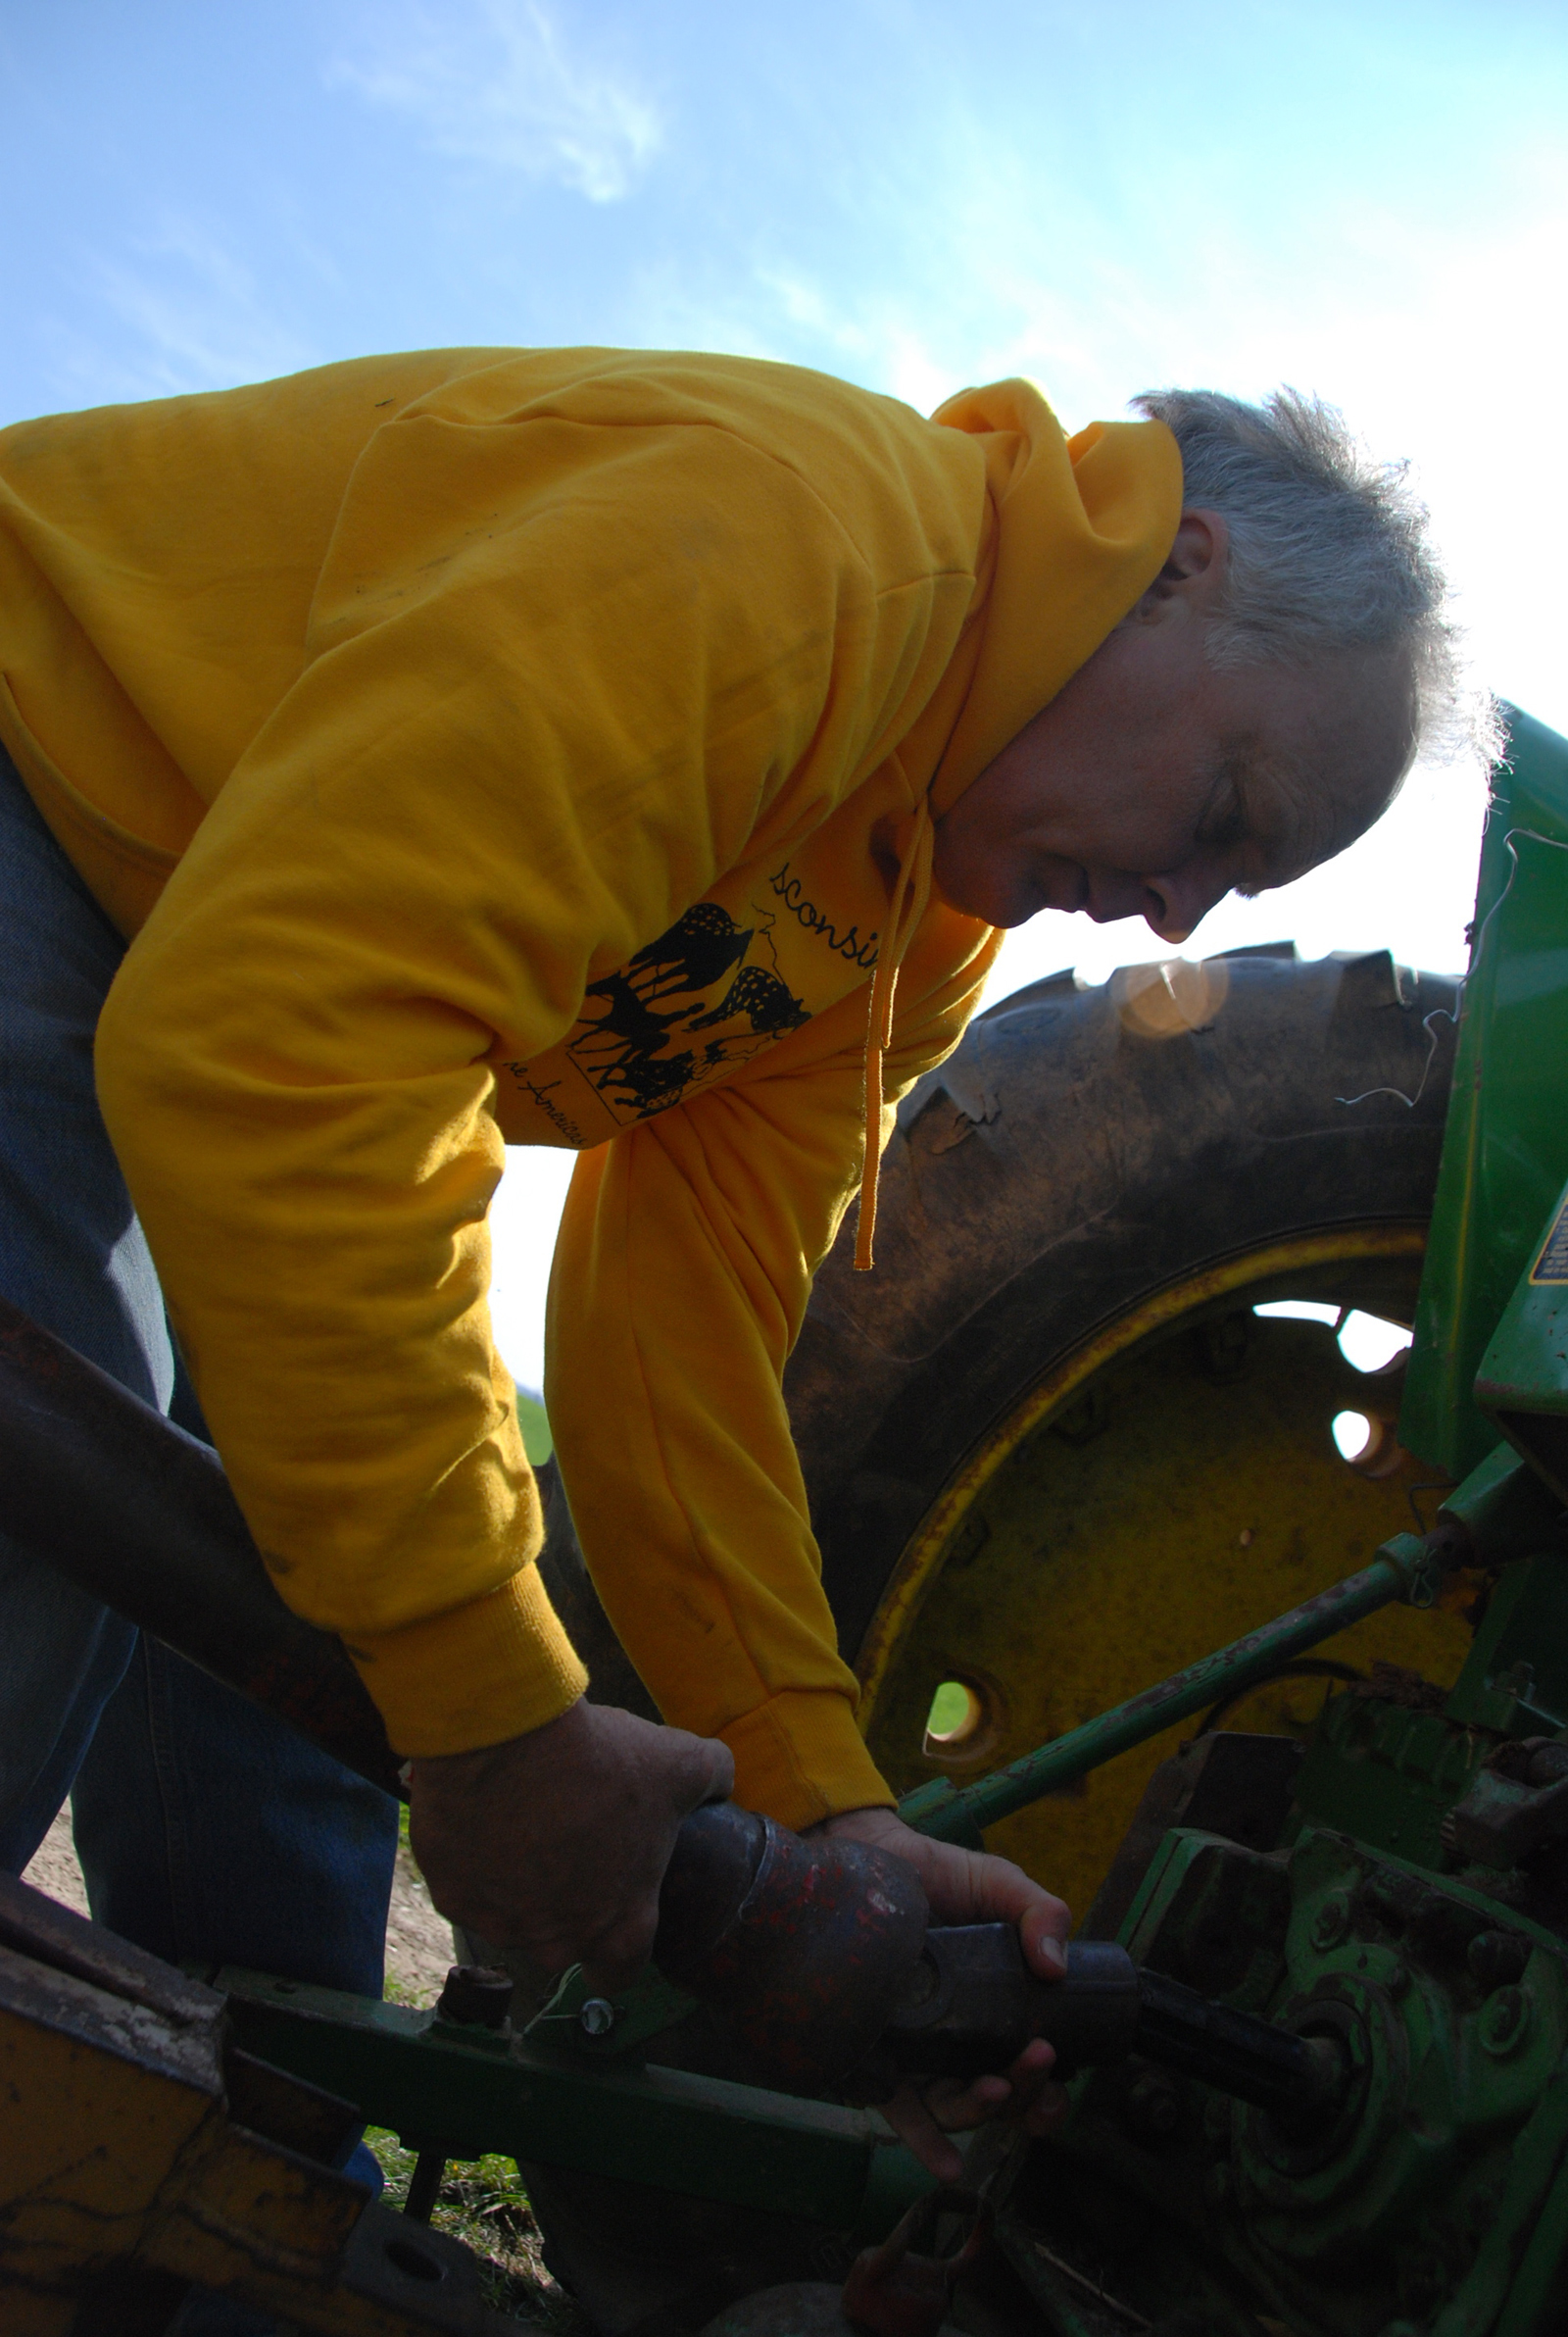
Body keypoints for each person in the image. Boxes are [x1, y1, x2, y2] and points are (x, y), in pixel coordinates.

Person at [0, 351, 1459, 2178]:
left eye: (1233, 895)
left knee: (309, 1649)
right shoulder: (815, 554)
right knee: (52, 1484)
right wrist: (494, 1722)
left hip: (183, 968)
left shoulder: (906, 930)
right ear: (1180, 562)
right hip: (38, 788)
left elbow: (678, 1335)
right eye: (1228, 815)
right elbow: (284, 1042)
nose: (1179, 911)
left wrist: (823, 1806)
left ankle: (223, 2187)